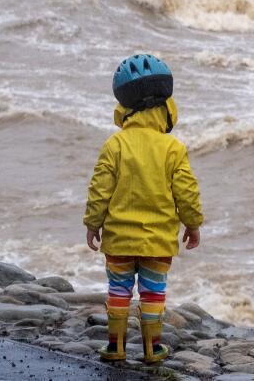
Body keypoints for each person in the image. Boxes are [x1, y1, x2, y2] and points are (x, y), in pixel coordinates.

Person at [83, 54, 203, 365]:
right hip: (158, 241)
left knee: (119, 291)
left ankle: (116, 347)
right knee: (152, 293)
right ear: (165, 108)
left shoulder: (115, 145)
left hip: (119, 240)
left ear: (124, 110)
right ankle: (152, 349)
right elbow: (186, 191)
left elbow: (100, 189)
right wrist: (193, 224)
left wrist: (92, 223)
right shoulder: (173, 148)